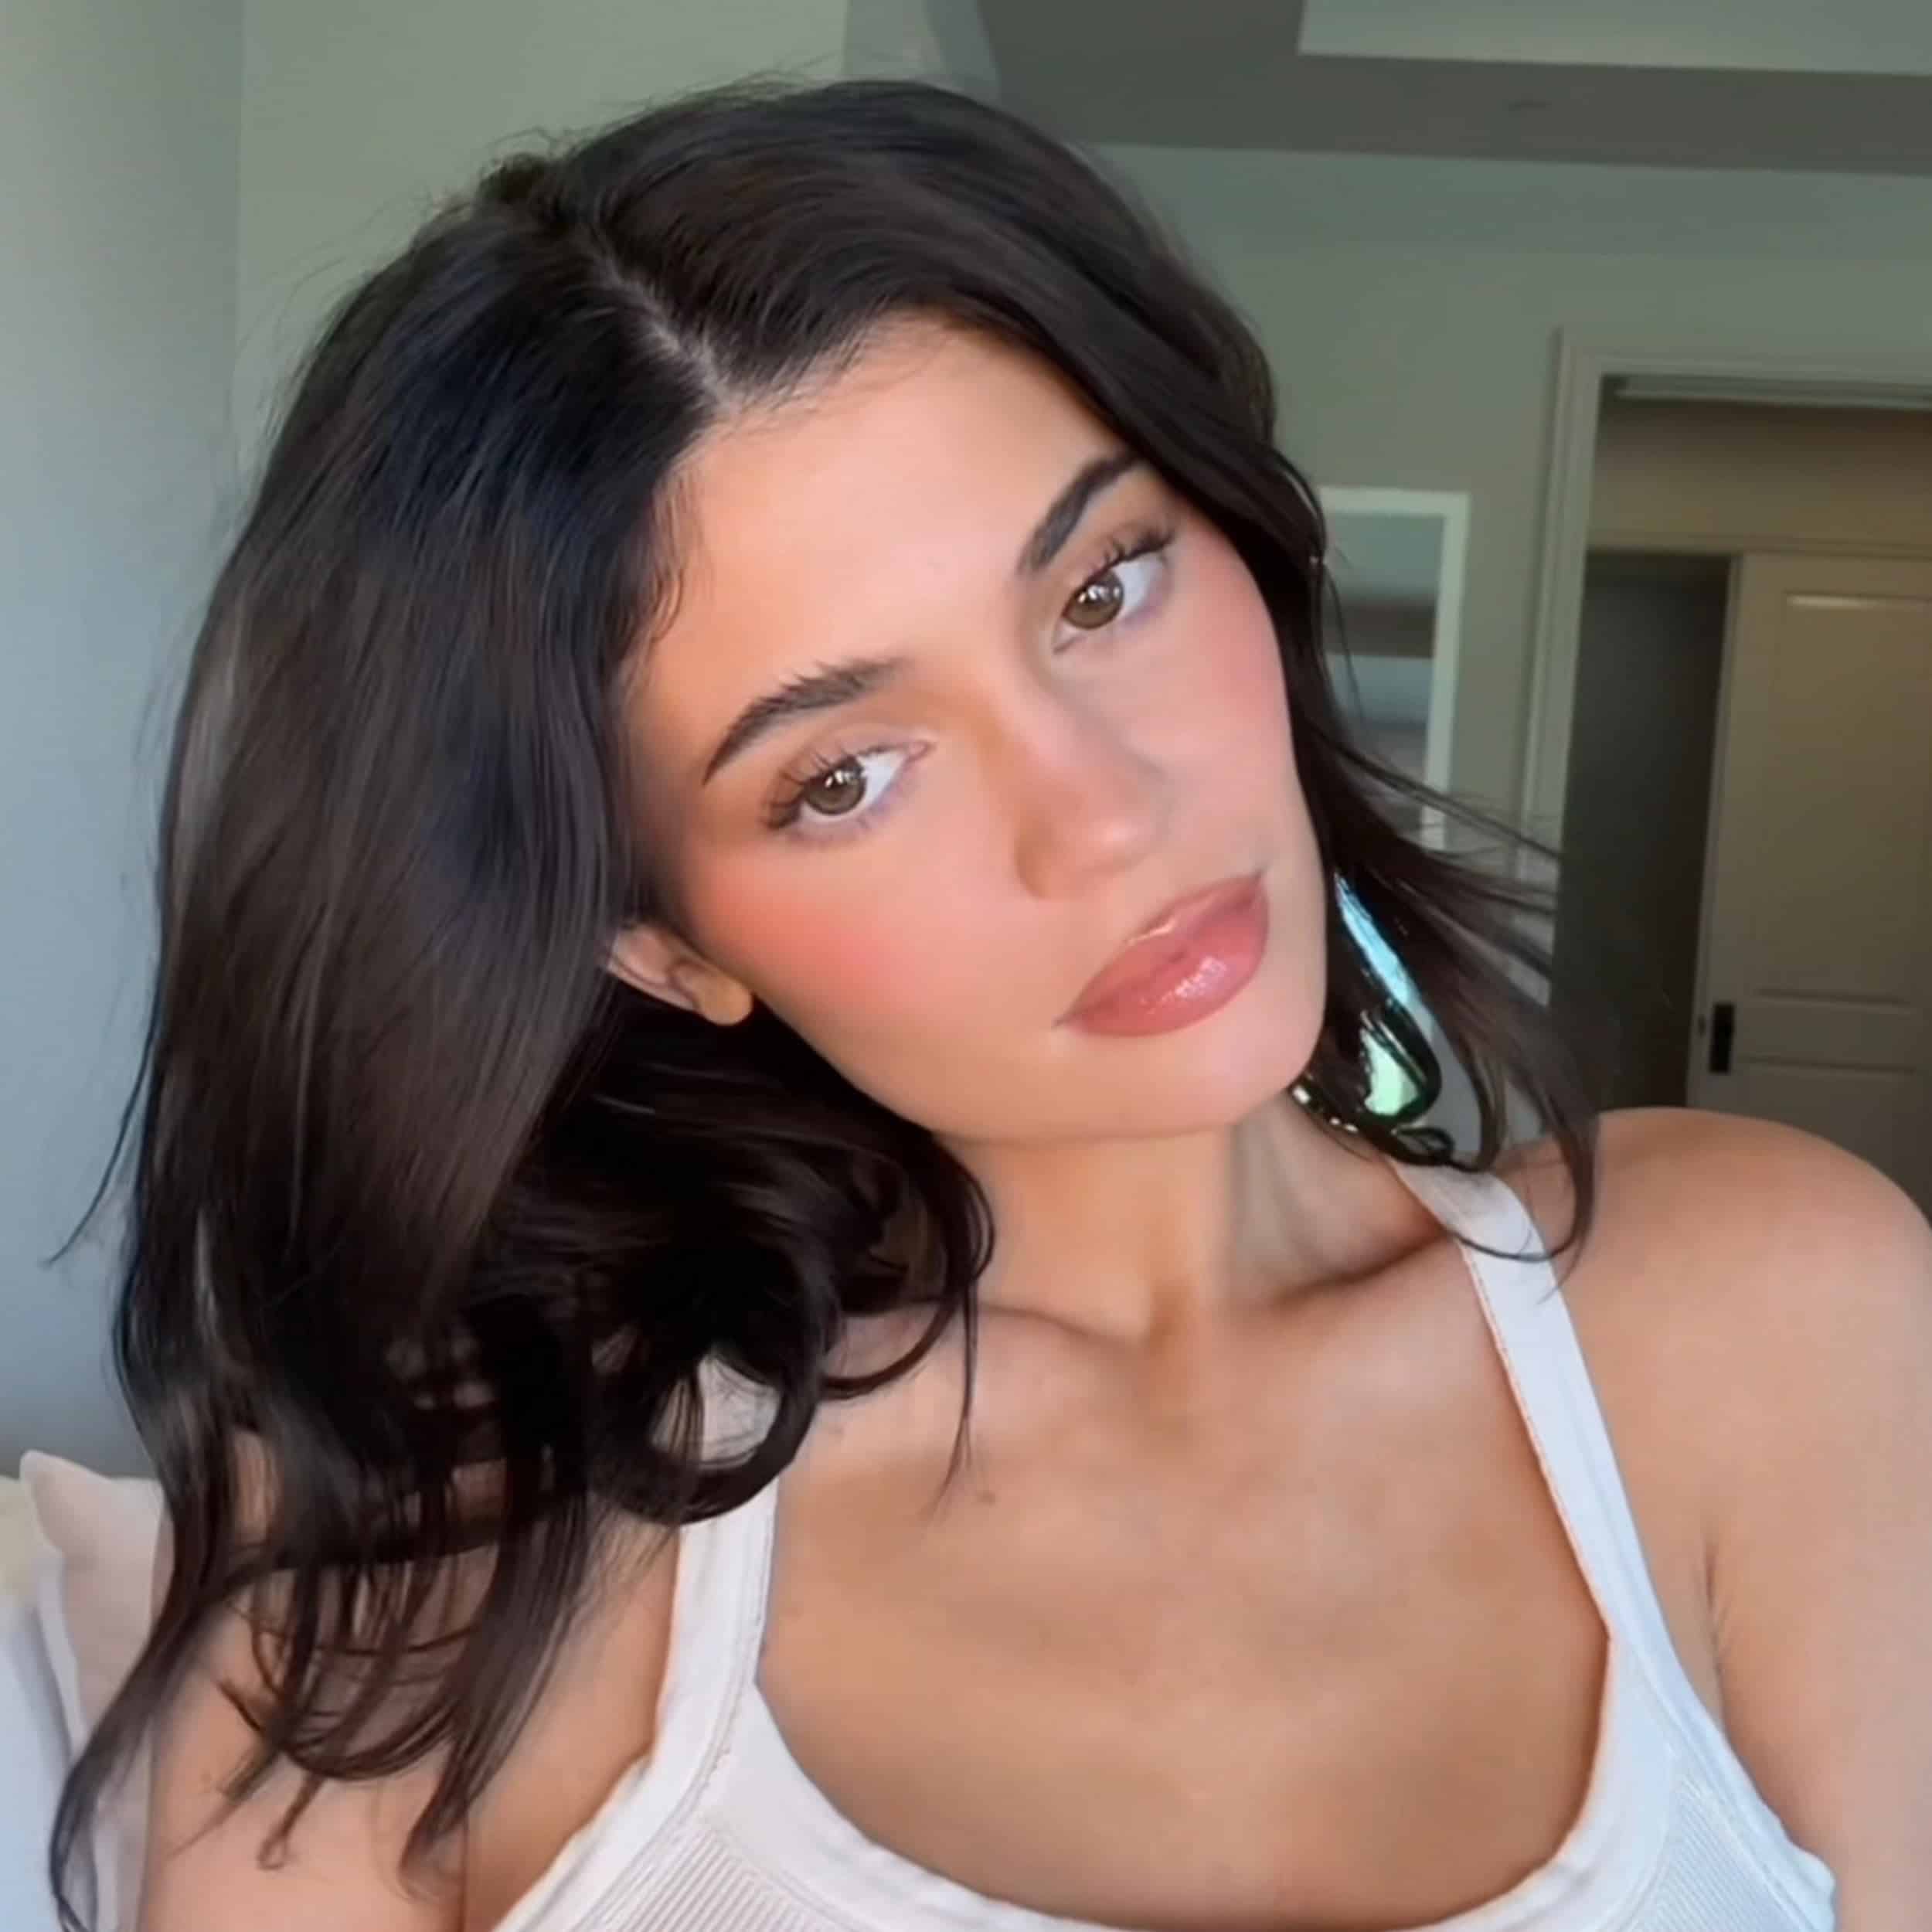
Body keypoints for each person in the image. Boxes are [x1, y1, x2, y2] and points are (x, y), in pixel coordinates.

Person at [54, 77, 1930, 1932]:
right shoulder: (429, 1570)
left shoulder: (1765, 1310)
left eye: (1102, 587)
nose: (1103, 812)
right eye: (844, 775)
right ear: (658, 941)